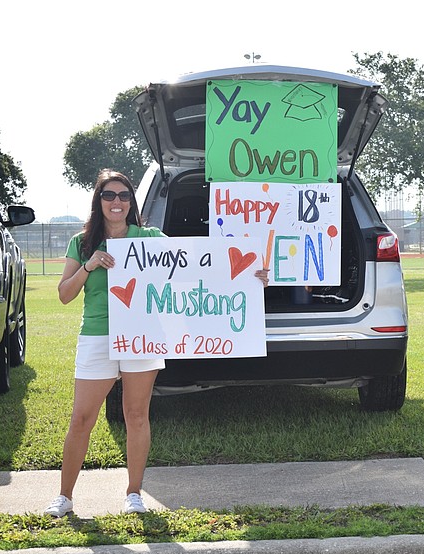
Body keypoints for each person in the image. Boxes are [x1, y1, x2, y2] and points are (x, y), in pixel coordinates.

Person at [45, 169, 269, 518]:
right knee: (81, 419)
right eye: (109, 195)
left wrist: (249, 275)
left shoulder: (149, 237)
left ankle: (134, 493)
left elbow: (198, 264)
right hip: (97, 336)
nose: (116, 202)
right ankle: (64, 496)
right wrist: (89, 266)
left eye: (123, 195)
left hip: (142, 336)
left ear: (131, 201)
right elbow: (63, 295)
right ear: (98, 201)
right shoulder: (82, 242)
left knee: (136, 415)